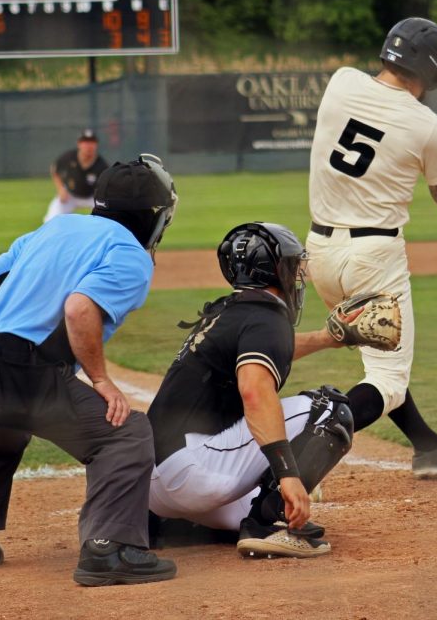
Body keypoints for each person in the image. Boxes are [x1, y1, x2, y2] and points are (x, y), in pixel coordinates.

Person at [0, 154, 179, 586]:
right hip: (9, 367)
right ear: (153, 217)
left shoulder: (58, 226)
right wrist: (101, 380)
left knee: (3, 428)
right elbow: (79, 308)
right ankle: (109, 549)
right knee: (126, 432)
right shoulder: (130, 254)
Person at [305, 17, 437, 479]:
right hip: (373, 260)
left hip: (319, 253)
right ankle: (298, 456)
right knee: (387, 379)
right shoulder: (429, 128)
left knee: (380, 356)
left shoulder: (341, 82)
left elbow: (399, 121)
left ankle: (430, 448)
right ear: (432, 70)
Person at [147, 222, 355, 559]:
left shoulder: (229, 313)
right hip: (193, 473)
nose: (295, 275)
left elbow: (270, 348)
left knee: (243, 496)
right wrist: (288, 474)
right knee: (329, 409)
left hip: (153, 488)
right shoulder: (265, 318)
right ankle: (265, 525)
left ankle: (172, 528)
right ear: (273, 270)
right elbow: (255, 393)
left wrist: (330, 338)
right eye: (290, 265)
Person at [43, 129, 109, 223]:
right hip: (70, 195)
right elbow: (54, 169)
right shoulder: (69, 157)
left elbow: (108, 184)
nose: (88, 146)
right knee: (50, 220)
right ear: (79, 144)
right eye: (85, 142)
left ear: (96, 145)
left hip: (92, 197)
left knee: (107, 220)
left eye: (92, 142)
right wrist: (60, 189)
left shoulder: (102, 165)